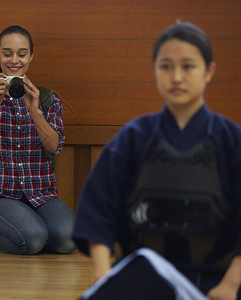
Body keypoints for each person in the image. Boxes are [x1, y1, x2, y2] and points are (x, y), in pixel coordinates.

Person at [72, 22, 241, 299]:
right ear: (155, 71)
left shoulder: (232, 141)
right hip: (143, 282)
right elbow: (98, 214)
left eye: (187, 66)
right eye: (166, 66)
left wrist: (231, 286)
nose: (176, 77)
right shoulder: (133, 138)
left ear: (209, 71)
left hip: (220, 284)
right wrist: (104, 279)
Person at [0, 25, 76, 255]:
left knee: (69, 240)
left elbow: (54, 147)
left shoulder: (47, 98)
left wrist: (35, 111)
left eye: (22, 54)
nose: (14, 60)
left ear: (31, 56)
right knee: (33, 239)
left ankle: (26, 228)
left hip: (40, 194)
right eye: (7, 53)